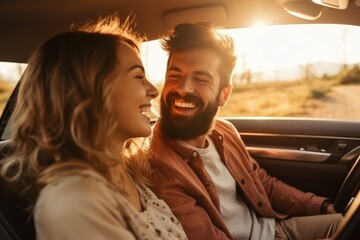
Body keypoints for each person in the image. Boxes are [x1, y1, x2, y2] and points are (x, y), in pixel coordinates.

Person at [148, 22, 343, 240]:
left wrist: (323, 206)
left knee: (346, 223)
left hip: (274, 228)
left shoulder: (225, 132)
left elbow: (263, 184)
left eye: (201, 79)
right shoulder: (159, 166)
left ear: (224, 94)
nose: (183, 88)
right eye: (174, 76)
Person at [0, 16, 188, 240]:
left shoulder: (129, 173)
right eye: (138, 76)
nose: (153, 91)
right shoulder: (73, 201)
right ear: (90, 91)